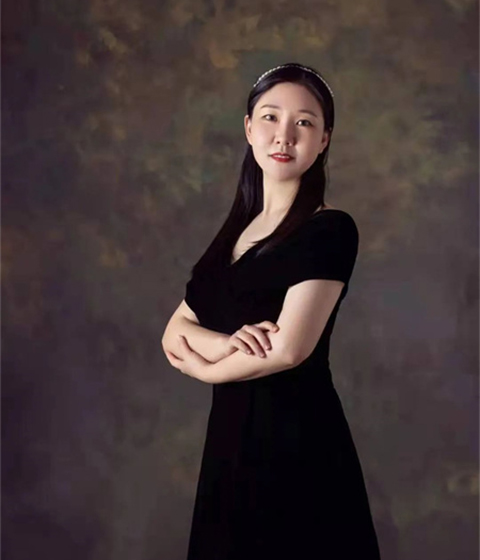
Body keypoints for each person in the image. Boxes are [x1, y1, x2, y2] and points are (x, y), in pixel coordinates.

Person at [162, 62, 381, 559]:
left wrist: (203, 369)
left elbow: (288, 350)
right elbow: (174, 330)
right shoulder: (236, 232)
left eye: (304, 122)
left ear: (324, 139)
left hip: (297, 443)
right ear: (248, 128)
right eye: (270, 117)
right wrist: (227, 342)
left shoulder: (330, 229)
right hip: (229, 444)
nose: (284, 135)